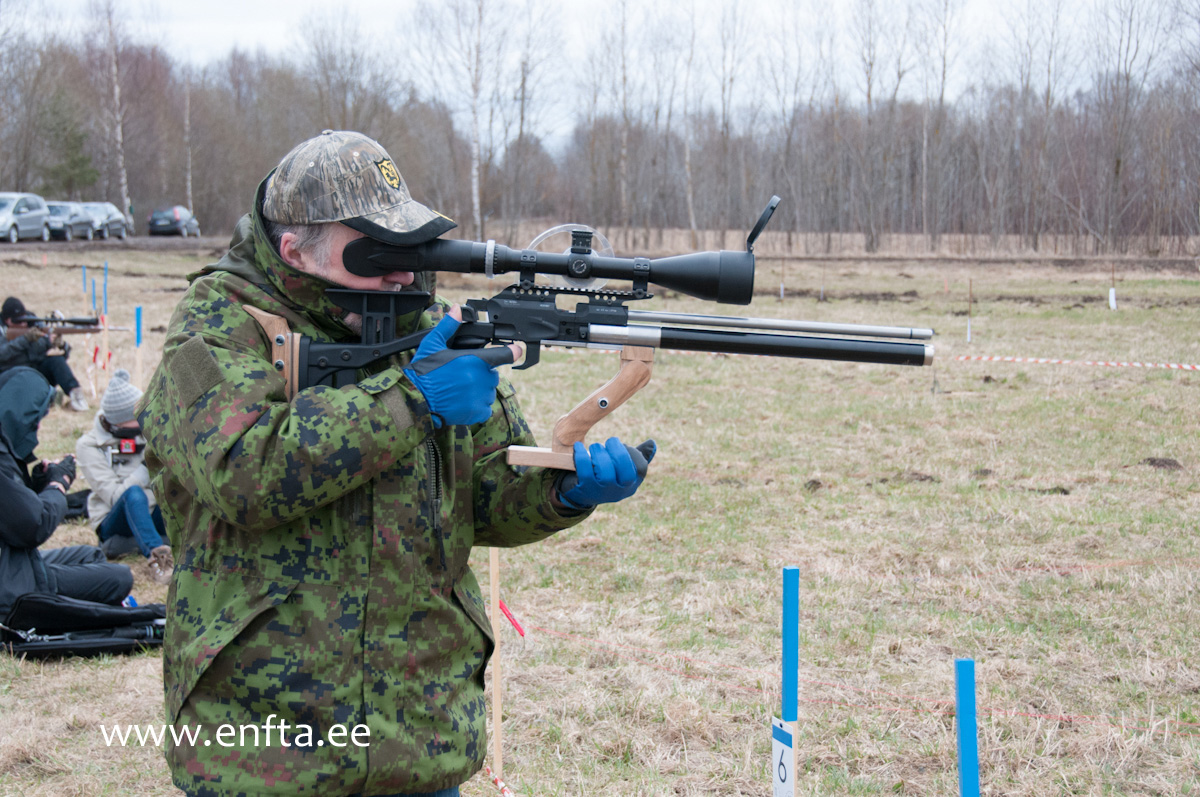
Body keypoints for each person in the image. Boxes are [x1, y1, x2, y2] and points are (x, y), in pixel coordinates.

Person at [138, 129, 655, 797]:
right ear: (295, 248)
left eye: (409, 250)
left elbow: (489, 490)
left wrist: (566, 490)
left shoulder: (423, 327)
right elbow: (244, 471)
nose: (402, 274)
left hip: (419, 737)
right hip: (264, 752)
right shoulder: (216, 326)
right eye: (377, 253)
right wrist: (412, 401)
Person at [0, 365, 132, 622]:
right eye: (34, 424)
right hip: (12, 584)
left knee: (90, 555)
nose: (35, 435)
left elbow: (10, 508)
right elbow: (34, 526)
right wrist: (58, 486)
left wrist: (39, 484)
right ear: (17, 414)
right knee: (120, 578)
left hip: (15, 563)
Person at [75, 369, 173, 584]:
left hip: (152, 510)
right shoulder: (89, 446)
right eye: (137, 419)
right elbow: (115, 496)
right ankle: (160, 560)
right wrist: (147, 466)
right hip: (115, 520)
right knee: (134, 495)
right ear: (117, 423)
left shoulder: (149, 430)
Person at [0, 297, 89, 411]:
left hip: (33, 371)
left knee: (56, 361)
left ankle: (75, 394)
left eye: (24, 320)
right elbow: (3, 354)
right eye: (18, 321)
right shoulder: (2, 330)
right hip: (10, 376)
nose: (23, 324)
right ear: (7, 320)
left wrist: (55, 344)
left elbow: (39, 353)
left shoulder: (33, 322)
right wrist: (25, 339)